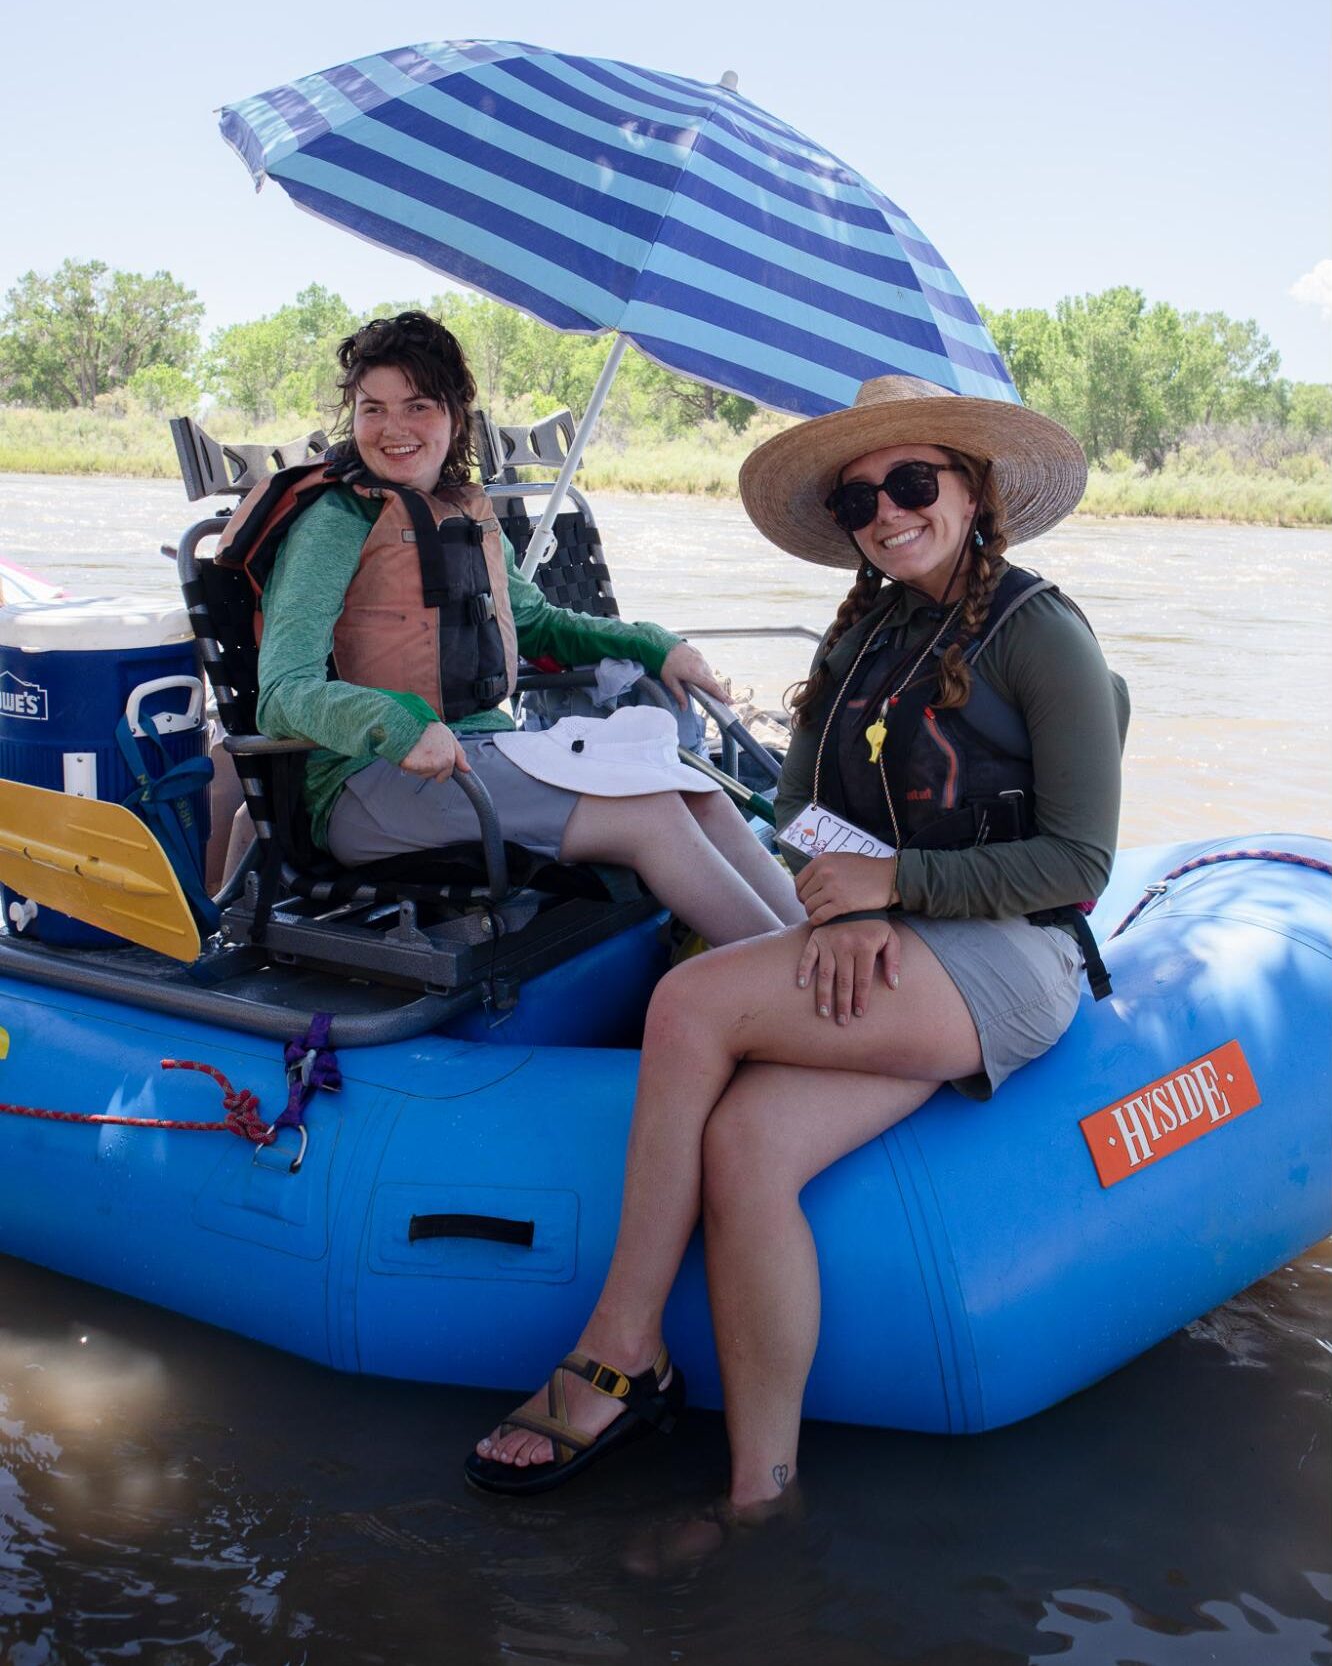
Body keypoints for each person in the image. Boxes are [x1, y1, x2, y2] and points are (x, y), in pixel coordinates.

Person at [464, 373, 1129, 1512]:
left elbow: (1079, 864)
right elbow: (795, 812)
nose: (887, 511)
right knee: (749, 1146)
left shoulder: (1042, 630)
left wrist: (895, 887)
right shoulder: (861, 634)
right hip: (888, 939)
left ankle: (621, 1350)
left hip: (1011, 952)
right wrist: (845, 904)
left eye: (913, 481)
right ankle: (759, 1494)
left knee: (688, 1006)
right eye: (858, 497)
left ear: (970, 490)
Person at [248, 312, 801, 945]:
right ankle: (789, 992)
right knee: (652, 815)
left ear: (456, 414)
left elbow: (535, 622)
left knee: (697, 789)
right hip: (370, 785)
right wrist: (398, 726)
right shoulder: (333, 523)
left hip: (481, 758)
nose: (393, 429)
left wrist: (653, 644)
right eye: (373, 409)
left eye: (418, 405)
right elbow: (281, 694)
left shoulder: (461, 510)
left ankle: (819, 956)